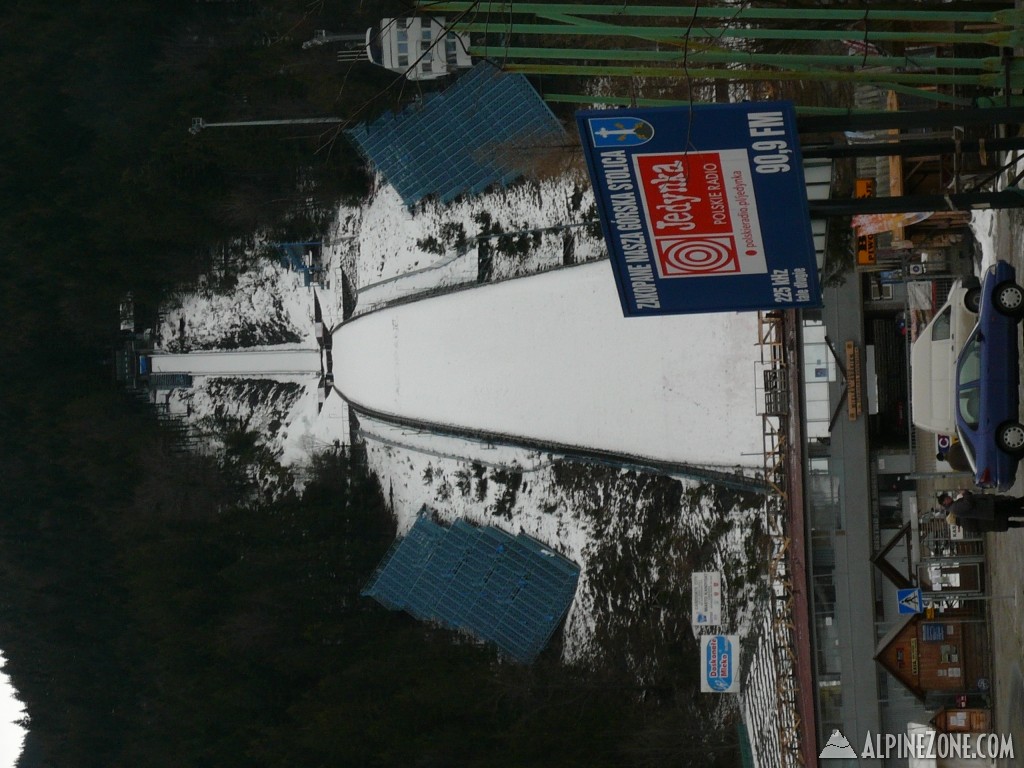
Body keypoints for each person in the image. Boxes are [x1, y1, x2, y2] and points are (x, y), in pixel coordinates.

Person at [939, 491, 1024, 532]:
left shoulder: (955, 508)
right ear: (944, 502)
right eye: (946, 498)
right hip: (988, 509)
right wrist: (965, 494)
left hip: (990, 516)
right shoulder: (955, 508)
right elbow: (969, 504)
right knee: (1013, 506)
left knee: (1013, 509)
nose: (949, 497)